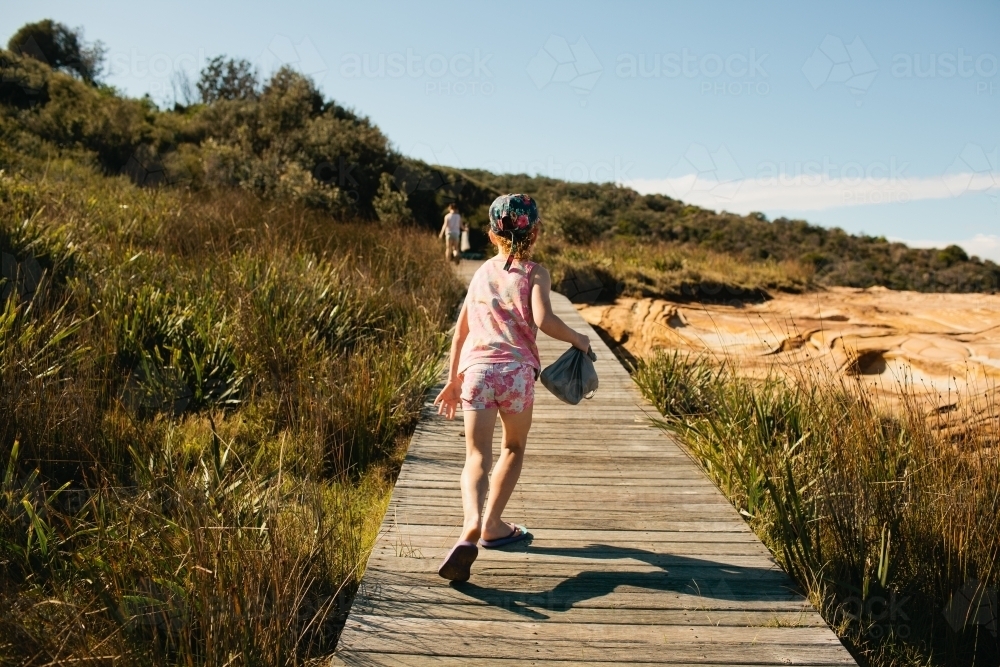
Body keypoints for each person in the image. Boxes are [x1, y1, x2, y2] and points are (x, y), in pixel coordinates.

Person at [433, 193, 591, 582]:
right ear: (535, 232)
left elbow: (460, 334)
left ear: (491, 235)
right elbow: (545, 319)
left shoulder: (482, 272)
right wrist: (579, 340)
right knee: (513, 447)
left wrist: (453, 380)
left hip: (477, 372)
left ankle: (470, 525)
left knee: (475, 457)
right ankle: (493, 526)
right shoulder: (536, 272)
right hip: (517, 374)